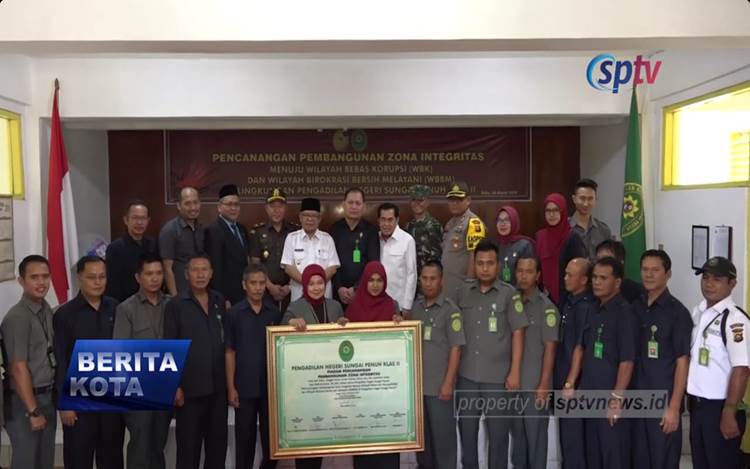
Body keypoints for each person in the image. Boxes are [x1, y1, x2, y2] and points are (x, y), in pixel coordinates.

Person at [455, 239, 528, 469]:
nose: (485, 268)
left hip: (498, 378)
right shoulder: (463, 292)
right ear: (474, 264)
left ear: (498, 265)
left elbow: (518, 333)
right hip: (467, 376)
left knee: (498, 437)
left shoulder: (509, 294)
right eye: (480, 263)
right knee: (467, 434)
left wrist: (515, 372)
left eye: (490, 263)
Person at [53, 255, 125, 469]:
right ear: (79, 278)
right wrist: (65, 404)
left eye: (102, 276)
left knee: (112, 458)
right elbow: (61, 360)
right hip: (79, 401)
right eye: (92, 277)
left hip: (111, 399)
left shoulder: (116, 308)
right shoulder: (65, 314)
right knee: (78, 459)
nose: (98, 282)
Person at [164, 254, 227, 469]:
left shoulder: (219, 300)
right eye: (195, 270)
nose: (200, 275)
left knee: (217, 451)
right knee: (188, 452)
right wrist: (174, 386)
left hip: (217, 390)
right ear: (186, 274)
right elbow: (169, 347)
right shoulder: (176, 305)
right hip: (189, 392)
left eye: (204, 270)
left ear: (211, 273)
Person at [574, 257, 637, 469]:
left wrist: (616, 399)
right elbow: (584, 349)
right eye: (594, 277)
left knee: (613, 457)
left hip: (611, 399)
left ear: (617, 282)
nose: (597, 282)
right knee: (593, 457)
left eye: (603, 278)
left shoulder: (624, 313)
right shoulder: (593, 308)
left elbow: (627, 360)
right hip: (591, 397)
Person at [687, 257, 750, 469]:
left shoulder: (735, 320)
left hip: (721, 408)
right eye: (705, 278)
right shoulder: (698, 312)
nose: (709, 284)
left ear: (732, 283)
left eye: (717, 279)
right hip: (697, 406)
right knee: (701, 463)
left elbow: (742, 369)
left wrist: (729, 411)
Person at [282, 264, 347, 469]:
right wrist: (291, 323)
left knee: (324, 434)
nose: (317, 287)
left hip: (330, 380)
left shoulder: (335, 306)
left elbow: (343, 338)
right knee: (307, 435)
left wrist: (345, 324)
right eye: (311, 284)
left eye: (320, 283)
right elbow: (280, 334)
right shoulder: (295, 307)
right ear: (304, 285)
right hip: (305, 382)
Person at [631, 250, 691, 469]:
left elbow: (682, 361)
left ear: (668, 274)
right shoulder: (635, 307)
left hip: (663, 402)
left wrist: (674, 407)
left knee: (662, 461)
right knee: (639, 460)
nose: (649, 275)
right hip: (637, 400)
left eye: (655, 270)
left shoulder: (678, 313)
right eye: (645, 269)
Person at [113, 254, 172, 469]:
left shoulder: (172, 305)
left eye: (158, 273)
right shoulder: (126, 308)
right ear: (138, 277)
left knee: (158, 444)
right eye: (149, 274)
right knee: (141, 445)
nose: (154, 278)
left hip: (165, 387)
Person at [344, 261, 402, 469]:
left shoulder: (391, 305)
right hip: (361, 385)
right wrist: (342, 328)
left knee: (388, 436)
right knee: (364, 439)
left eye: (379, 280)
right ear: (364, 282)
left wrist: (400, 324)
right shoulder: (353, 308)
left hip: (386, 384)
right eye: (371, 280)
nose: (375, 285)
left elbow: (401, 343)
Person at [224, 264, 281, 469]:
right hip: (244, 387)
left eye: (261, 283)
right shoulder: (234, 314)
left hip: (270, 389)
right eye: (253, 283)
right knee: (244, 442)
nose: (258, 288)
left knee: (271, 443)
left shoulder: (273, 313)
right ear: (244, 285)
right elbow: (230, 352)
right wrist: (231, 387)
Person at [2, 255, 56, 469]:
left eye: (45, 276)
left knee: (44, 462)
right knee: (27, 462)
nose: (41, 282)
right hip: (25, 402)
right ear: (21, 281)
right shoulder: (18, 318)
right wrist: (33, 411)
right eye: (34, 277)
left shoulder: (45, 309)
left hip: (47, 396)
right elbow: (17, 367)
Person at [410, 260, 464, 469]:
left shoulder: (451, 310)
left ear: (441, 280)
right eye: (424, 278)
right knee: (423, 444)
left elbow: (456, 348)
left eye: (433, 278)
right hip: (418, 389)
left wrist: (448, 383)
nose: (428, 283)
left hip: (439, 388)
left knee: (444, 442)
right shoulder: (416, 308)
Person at [510, 256, 558, 469]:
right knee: (518, 441)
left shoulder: (546, 308)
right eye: (520, 271)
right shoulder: (511, 303)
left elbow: (550, 349)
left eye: (529, 271)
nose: (523, 276)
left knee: (536, 440)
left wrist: (544, 384)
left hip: (535, 385)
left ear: (538, 275)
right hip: (513, 385)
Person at [555, 257, 595, 469]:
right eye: (565, 273)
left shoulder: (586, 306)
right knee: (566, 439)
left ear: (584, 279)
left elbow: (580, 347)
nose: (565, 278)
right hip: (562, 377)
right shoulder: (569, 302)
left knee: (574, 440)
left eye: (571, 275)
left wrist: (570, 382)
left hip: (575, 385)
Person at [281, 197, 340, 301]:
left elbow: (332, 268)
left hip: (323, 296)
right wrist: (309, 284)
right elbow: (288, 267)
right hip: (299, 296)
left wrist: (316, 285)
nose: (310, 219)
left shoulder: (328, 239)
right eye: (306, 215)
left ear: (319, 218)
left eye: (314, 216)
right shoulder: (291, 238)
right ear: (300, 217)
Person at [330, 187, 380, 305]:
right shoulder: (335, 229)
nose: (354, 206)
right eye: (350, 202)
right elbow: (331, 262)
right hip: (338, 294)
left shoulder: (371, 231)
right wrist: (339, 287)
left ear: (364, 206)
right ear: (344, 205)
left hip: (364, 291)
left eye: (358, 203)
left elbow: (373, 263)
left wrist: (357, 288)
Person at [249, 188, 297, 311]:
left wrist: (289, 286)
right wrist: (270, 286)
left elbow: (300, 262)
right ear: (266, 208)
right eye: (272, 207)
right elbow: (255, 264)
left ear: (285, 208)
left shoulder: (295, 231)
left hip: (292, 290)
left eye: (280, 206)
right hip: (264, 290)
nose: (276, 210)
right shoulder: (257, 232)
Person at [535, 193, 585, 304]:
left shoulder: (572, 237)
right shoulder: (540, 236)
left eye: (556, 210)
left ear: (562, 212)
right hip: (542, 296)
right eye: (548, 211)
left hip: (567, 297)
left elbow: (580, 270)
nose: (551, 214)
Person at [205, 184, 250, 305]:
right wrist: (222, 298)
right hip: (227, 297)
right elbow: (215, 269)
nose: (233, 208)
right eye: (229, 204)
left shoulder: (242, 229)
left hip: (244, 294)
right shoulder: (213, 231)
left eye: (236, 204)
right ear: (219, 207)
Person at [441, 181, 486, 302]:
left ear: (468, 200)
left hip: (462, 288)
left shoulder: (474, 223)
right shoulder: (450, 223)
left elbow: (474, 255)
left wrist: (469, 285)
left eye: (459, 200)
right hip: (448, 287)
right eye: (451, 200)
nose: (454, 203)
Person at [105, 199, 158, 301]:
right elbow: (112, 286)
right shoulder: (115, 248)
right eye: (135, 218)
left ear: (148, 220)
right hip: (124, 304)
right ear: (126, 220)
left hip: (150, 301)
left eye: (143, 218)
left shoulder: (153, 244)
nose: (139, 222)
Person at [159, 186, 204, 296]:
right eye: (187, 203)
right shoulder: (170, 230)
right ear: (179, 206)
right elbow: (167, 269)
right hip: (180, 293)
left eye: (195, 202)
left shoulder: (201, 228)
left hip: (199, 292)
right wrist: (175, 299)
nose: (193, 207)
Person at [377, 202, 417, 314]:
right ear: (378, 220)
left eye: (390, 220)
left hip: (398, 305)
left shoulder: (407, 240)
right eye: (383, 219)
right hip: (377, 303)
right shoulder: (374, 239)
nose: (386, 224)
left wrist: (407, 306)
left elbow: (411, 275)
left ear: (397, 220)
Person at [569, 178, 612, 261]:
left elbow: (609, 262)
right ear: (574, 199)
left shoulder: (604, 230)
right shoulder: (564, 228)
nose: (586, 204)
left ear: (595, 200)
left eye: (590, 199)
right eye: (582, 198)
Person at [404, 184, 443, 276]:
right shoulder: (408, 226)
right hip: (411, 276)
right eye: (414, 200)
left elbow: (437, 258)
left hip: (428, 278)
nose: (417, 203)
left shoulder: (434, 226)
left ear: (428, 202)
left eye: (421, 200)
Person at [495, 205, 535, 285]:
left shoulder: (524, 245)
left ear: (514, 222)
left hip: (518, 290)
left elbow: (528, 276)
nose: (503, 224)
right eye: (500, 220)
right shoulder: (495, 245)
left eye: (507, 220)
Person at [595, 239, 644, 303]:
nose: (600, 264)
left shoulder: (635, 292)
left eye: (606, 260)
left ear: (620, 262)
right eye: (598, 259)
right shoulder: (591, 291)